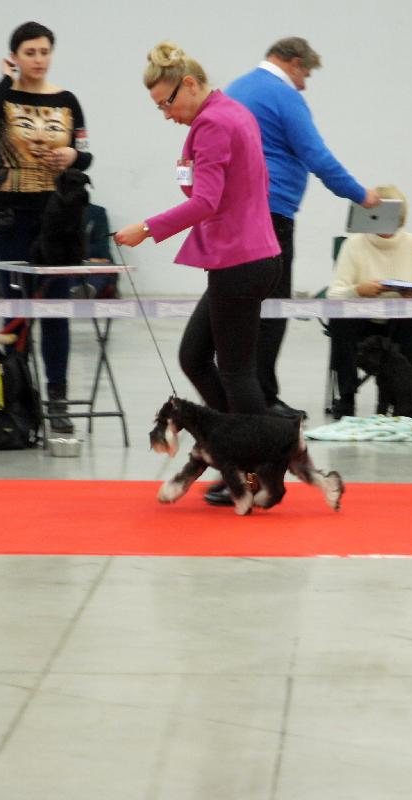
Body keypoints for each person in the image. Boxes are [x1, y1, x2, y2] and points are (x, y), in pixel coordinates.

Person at [114, 41, 281, 505]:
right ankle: (234, 448)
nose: (166, 114)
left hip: (240, 261)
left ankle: (257, 473)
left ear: (189, 84)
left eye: (166, 103)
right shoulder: (230, 112)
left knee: (237, 373)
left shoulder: (213, 123)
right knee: (194, 356)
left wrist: (147, 228)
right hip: (247, 258)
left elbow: (205, 201)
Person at [226, 36, 379, 418]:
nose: (304, 84)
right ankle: (264, 400)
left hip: (234, 215)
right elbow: (316, 155)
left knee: (240, 309)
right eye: (305, 74)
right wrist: (360, 194)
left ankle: (240, 395)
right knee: (273, 307)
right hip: (271, 215)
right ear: (293, 62)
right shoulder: (283, 95)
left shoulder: (235, 89)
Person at [0, 21, 93, 434]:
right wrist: (5, 81)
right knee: (18, 308)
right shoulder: (3, 98)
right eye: (30, 53)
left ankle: (57, 400)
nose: (38, 60)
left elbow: (86, 154)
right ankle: (14, 396)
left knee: (56, 309)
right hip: (8, 216)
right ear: (15, 57)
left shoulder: (67, 100)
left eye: (44, 52)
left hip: (56, 217)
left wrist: (72, 156)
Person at [325, 186, 412, 418]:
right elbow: (334, 294)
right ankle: (346, 396)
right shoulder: (352, 245)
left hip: (401, 323)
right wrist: (358, 290)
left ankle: (409, 395)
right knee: (341, 320)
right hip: (362, 324)